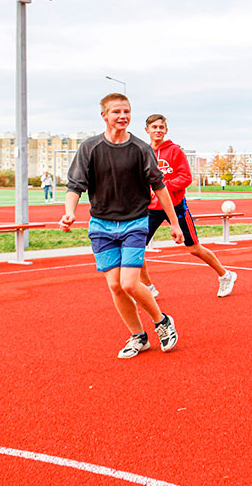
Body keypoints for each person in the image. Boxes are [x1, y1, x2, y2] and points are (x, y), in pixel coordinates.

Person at [59, 93, 182, 359]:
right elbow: (75, 186)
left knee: (128, 283)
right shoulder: (90, 148)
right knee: (115, 286)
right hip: (101, 226)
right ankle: (139, 337)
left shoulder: (140, 148)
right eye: (116, 112)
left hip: (135, 223)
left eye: (126, 111)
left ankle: (162, 321)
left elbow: (159, 187)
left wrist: (174, 223)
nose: (123, 116)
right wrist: (69, 212)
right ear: (104, 115)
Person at [138, 114, 238, 298]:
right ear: (147, 130)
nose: (158, 130)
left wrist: (161, 188)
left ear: (166, 130)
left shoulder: (175, 151)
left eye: (161, 127)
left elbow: (186, 178)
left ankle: (225, 275)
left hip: (176, 206)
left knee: (193, 248)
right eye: (154, 127)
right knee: (136, 249)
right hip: (151, 208)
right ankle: (149, 288)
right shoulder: (144, 153)